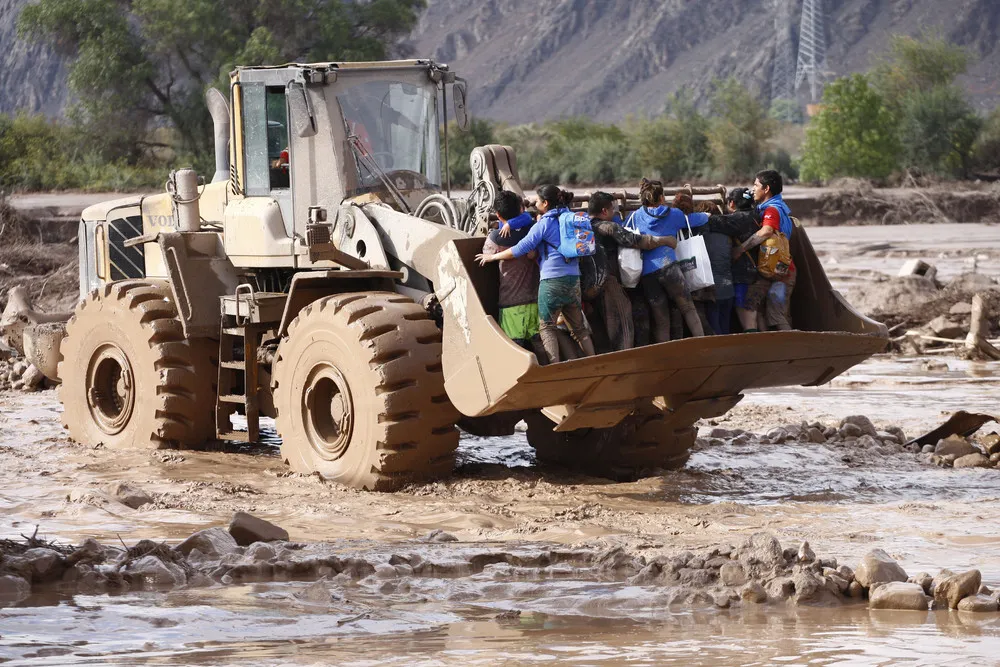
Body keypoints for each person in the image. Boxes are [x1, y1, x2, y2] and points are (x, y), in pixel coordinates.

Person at [476, 185, 596, 363]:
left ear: (545, 203)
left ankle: (554, 368)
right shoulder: (567, 216)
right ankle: (594, 362)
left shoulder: (542, 224)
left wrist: (493, 257)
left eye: (537, 201)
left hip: (551, 282)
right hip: (573, 279)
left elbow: (521, 249)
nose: (534, 203)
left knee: (547, 328)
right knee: (579, 329)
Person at [586, 191, 676, 351]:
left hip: (587, 286)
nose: (613, 213)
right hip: (607, 282)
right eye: (612, 210)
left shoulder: (582, 227)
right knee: (623, 325)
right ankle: (625, 357)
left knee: (599, 328)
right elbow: (635, 240)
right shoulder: (607, 227)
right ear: (604, 211)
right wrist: (665, 240)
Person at [630, 179, 707, 342]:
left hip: (648, 274)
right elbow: (694, 220)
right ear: (661, 197)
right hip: (669, 268)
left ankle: (664, 354)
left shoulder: (636, 216)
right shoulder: (674, 214)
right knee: (688, 308)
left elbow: (624, 228)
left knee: (661, 321)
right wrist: (706, 215)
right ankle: (702, 343)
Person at [480, 191, 543, 355]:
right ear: (521, 209)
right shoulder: (534, 230)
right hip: (536, 300)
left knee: (515, 349)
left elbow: (486, 254)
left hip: (511, 303)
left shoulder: (495, 238)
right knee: (540, 344)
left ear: (498, 215)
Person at [732, 170, 796, 331]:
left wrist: (740, 249)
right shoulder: (780, 207)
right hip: (777, 267)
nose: (753, 189)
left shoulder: (772, 210)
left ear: (766, 189)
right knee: (757, 306)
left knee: (776, 314)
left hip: (779, 270)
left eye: (756, 185)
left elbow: (766, 231)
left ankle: (790, 343)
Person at [706, 187, 763, 332]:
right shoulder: (757, 215)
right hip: (758, 272)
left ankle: (752, 342)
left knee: (746, 315)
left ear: (732, 203)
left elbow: (713, 222)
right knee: (755, 315)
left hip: (743, 275)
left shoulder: (738, 218)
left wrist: (701, 215)